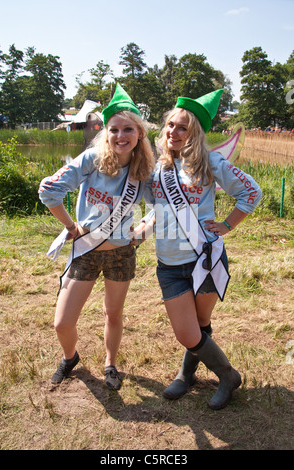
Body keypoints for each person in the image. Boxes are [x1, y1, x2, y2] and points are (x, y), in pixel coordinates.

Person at [134, 89, 262, 410]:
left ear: (195, 134)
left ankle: (186, 375)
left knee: (198, 328)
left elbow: (251, 192)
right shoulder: (158, 166)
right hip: (170, 264)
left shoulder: (210, 162)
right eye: (170, 125)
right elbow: (159, 208)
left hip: (205, 260)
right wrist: (141, 230)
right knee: (188, 333)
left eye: (182, 128)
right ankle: (228, 375)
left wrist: (228, 224)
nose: (172, 132)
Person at [39, 83, 154, 389]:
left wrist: (142, 233)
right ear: (106, 131)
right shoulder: (92, 159)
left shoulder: (145, 170)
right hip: (86, 249)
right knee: (62, 322)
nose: (120, 136)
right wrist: (71, 227)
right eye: (114, 129)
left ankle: (110, 364)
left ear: (139, 133)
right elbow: (49, 190)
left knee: (113, 313)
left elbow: (162, 209)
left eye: (128, 129)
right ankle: (70, 357)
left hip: (121, 254)